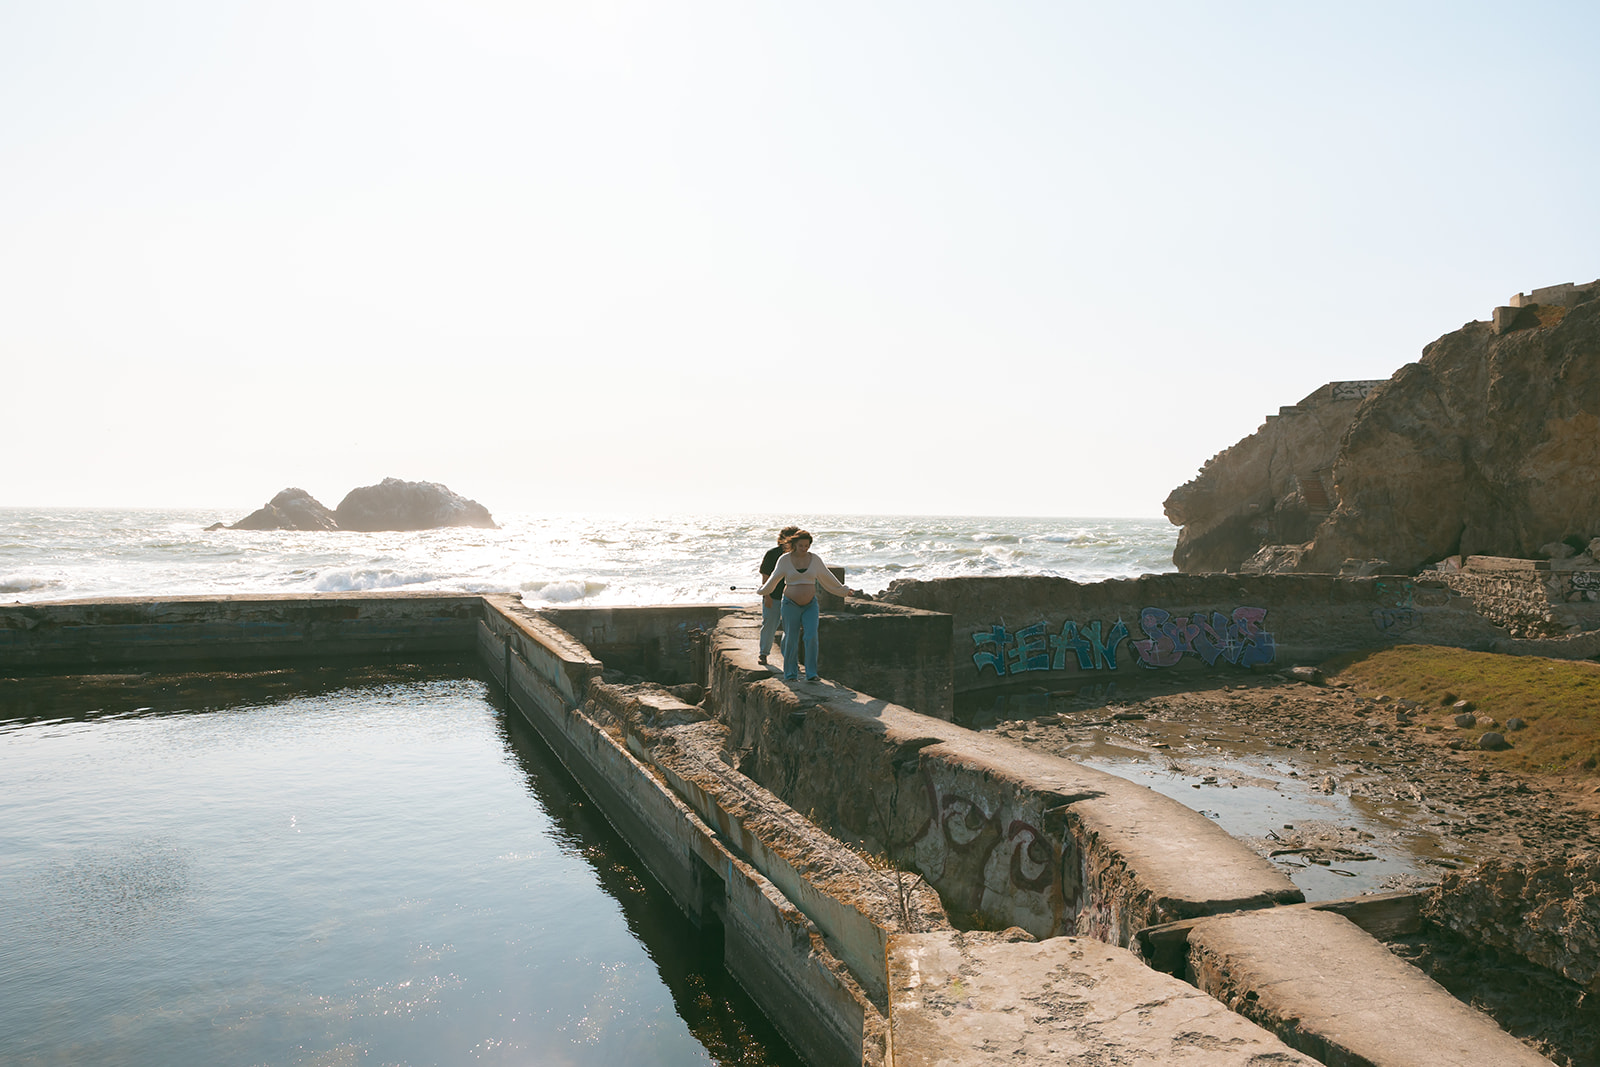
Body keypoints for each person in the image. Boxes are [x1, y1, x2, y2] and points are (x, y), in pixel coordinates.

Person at [756, 529, 855, 682]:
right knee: (791, 638)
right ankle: (790, 674)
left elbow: (827, 577)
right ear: (794, 544)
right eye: (801, 545)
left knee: (811, 637)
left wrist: (843, 590)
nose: (804, 549)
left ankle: (811, 673)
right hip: (790, 604)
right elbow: (773, 579)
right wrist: (764, 591)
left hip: (810, 605)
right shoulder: (784, 559)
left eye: (807, 546)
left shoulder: (814, 559)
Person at [758, 525, 801, 666]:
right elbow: (766, 577)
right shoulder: (772, 554)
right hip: (774, 595)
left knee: (791, 628)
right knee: (770, 624)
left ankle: (790, 659)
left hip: (792, 597)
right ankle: (763, 654)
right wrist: (767, 596)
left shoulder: (799, 556)